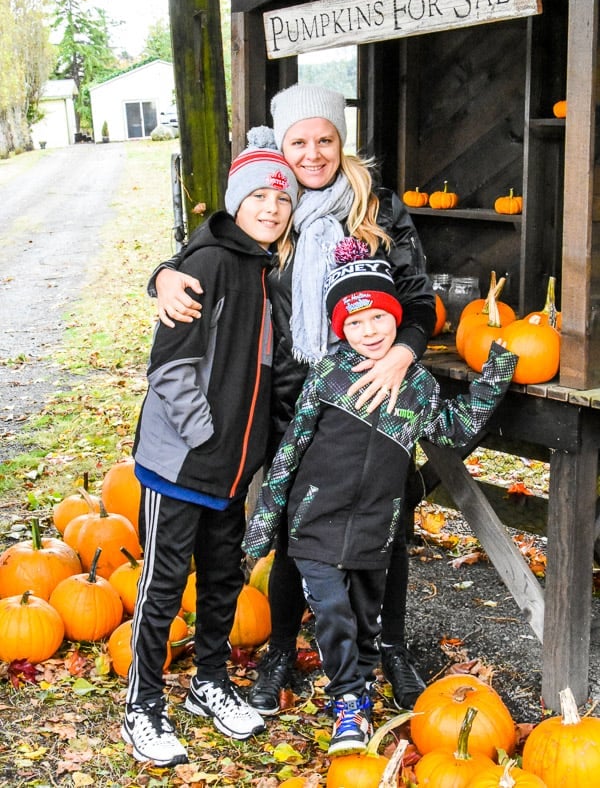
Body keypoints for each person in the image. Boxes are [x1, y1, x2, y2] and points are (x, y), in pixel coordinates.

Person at [149, 84, 437, 713]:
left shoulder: (378, 208)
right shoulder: (269, 202)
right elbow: (200, 253)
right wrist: (162, 276)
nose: (312, 154)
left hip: (370, 392)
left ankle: (388, 646)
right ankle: (280, 647)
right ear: (282, 147)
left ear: (341, 143)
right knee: (291, 526)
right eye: (299, 142)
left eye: (325, 140)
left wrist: (402, 352)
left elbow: (418, 298)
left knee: (383, 526)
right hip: (286, 398)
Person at [243, 240, 518, 755]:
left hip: (376, 524)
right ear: (339, 328)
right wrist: (265, 520)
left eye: (379, 318)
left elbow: (455, 431)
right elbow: (292, 446)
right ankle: (350, 704)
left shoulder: (416, 386)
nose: (369, 330)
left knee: (364, 617)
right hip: (315, 520)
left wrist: (495, 372)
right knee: (332, 612)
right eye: (354, 322)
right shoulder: (327, 375)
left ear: (396, 316)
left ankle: (362, 680)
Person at [122, 136, 299, 768]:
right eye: (259, 195)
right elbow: (169, 368)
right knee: (165, 581)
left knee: (223, 577)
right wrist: (208, 437)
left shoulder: (258, 267)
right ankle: (142, 704)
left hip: (229, 470)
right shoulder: (207, 265)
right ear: (234, 202)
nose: (272, 206)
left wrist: (248, 450)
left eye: (282, 196)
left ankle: (209, 682)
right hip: (182, 463)